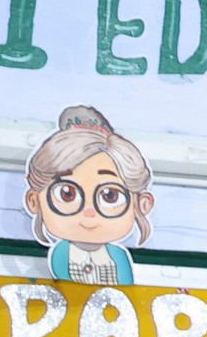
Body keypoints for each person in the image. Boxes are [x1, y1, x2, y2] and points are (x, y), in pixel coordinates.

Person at [23, 105, 155, 284]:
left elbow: (127, 289)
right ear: (34, 201)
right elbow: (64, 286)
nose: (89, 212)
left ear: (143, 204)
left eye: (110, 196)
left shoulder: (119, 256)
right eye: (67, 194)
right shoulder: (61, 253)